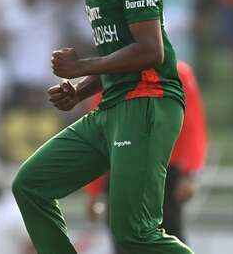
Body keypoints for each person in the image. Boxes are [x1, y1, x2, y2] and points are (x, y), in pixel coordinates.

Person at [11, 0, 194, 254]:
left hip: (147, 102)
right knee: (31, 185)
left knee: (133, 235)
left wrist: (82, 67)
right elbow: (119, 53)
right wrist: (81, 90)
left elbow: (150, 52)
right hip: (112, 105)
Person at [84, 60, 208, 250]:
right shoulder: (110, 74)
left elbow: (191, 125)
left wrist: (190, 174)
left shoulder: (176, 73)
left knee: (169, 238)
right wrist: (93, 191)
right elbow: (99, 132)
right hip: (122, 174)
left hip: (163, 175)